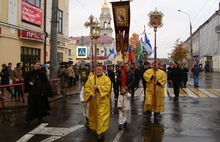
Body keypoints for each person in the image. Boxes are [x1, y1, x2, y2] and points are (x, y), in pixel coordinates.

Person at [84, 64, 111, 141]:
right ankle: (98, 129)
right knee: (95, 116)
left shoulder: (107, 79)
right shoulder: (91, 78)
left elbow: (107, 88)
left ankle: (100, 132)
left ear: (103, 70)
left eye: (100, 69)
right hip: (94, 102)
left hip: (103, 102)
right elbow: (87, 87)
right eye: (97, 69)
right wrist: (90, 93)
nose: (98, 70)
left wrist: (98, 88)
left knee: (101, 116)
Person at [23, 60, 51, 125]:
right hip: (32, 92)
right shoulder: (30, 73)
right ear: (34, 65)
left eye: (39, 64)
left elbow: (45, 83)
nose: (38, 65)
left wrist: (43, 91)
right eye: (37, 64)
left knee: (39, 106)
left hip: (39, 93)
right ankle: (28, 120)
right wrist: (29, 83)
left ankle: (40, 118)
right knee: (30, 106)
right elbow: (26, 80)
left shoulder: (42, 73)